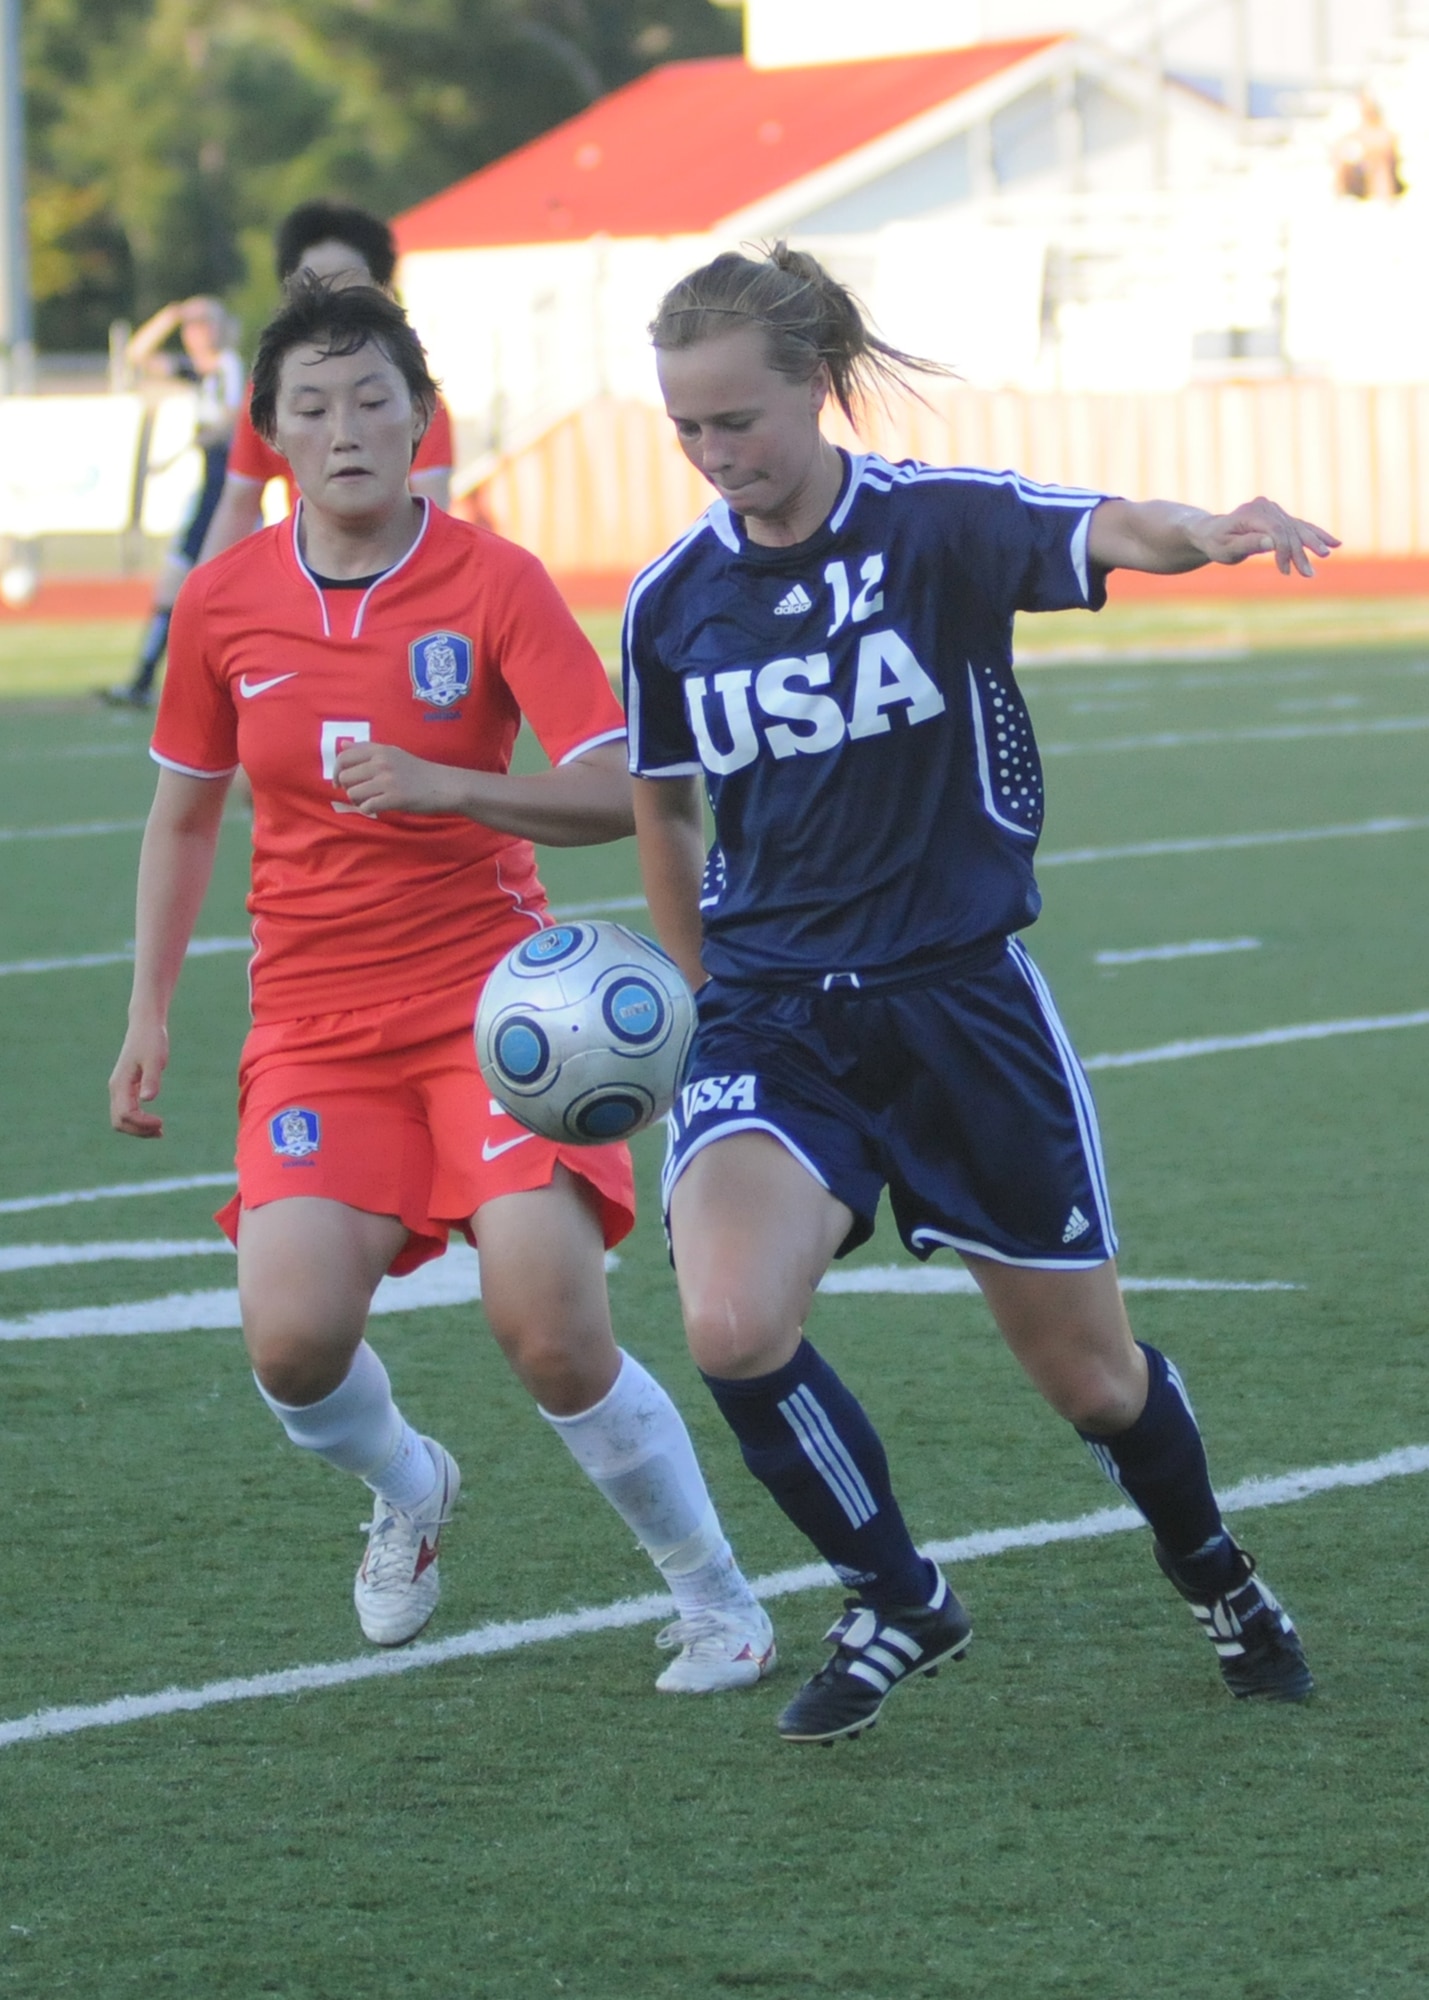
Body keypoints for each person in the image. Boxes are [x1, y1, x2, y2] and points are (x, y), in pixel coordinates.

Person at [623, 244, 1338, 1746]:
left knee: (1091, 1383)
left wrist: (1206, 529)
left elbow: (1102, 526)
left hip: (958, 1006)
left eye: (736, 421)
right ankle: (895, 1591)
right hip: (770, 1016)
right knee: (731, 1322)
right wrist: (699, 1005)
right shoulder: (673, 602)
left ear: (813, 389)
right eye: (685, 427)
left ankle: (1213, 1571)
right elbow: (666, 811)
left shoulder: (934, 525)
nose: (712, 454)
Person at [107, 277, 774, 1694]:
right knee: (291, 1344)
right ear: (269, 437)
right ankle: (410, 1487)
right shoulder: (225, 604)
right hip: (313, 1030)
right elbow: (183, 816)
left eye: (371, 399)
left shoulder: (492, 581)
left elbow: (619, 792)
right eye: (310, 406)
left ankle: (715, 1596)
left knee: (546, 1323)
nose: (344, 428)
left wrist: (444, 786)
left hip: (496, 1018)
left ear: (422, 417)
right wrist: (148, 1011)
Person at [195, 200, 454, 575]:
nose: (330, 297)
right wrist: (201, 601)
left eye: (346, 282)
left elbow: (435, 512)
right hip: (308, 577)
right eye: (313, 282)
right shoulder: (269, 396)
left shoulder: (410, 402)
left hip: (396, 578)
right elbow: (238, 505)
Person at [104, 297, 244, 708]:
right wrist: (169, 314)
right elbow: (137, 354)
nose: (197, 332)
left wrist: (193, 442)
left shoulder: (228, 366)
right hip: (211, 490)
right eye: (193, 324)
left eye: (205, 323)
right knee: (177, 588)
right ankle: (145, 679)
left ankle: (158, 681)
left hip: (225, 494)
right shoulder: (201, 372)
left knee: (201, 590)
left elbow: (229, 420)